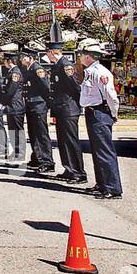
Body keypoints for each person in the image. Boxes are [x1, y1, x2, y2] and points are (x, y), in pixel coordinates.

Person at [79, 44, 123, 199]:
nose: (80, 57)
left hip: (100, 112)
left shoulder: (100, 73)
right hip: (92, 112)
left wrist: (113, 113)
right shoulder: (90, 72)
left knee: (105, 151)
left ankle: (113, 188)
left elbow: (111, 96)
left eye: (82, 54)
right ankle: (102, 184)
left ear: (88, 56)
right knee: (97, 151)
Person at [45, 42, 87, 184]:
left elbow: (75, 87)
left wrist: (76, 104)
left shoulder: (65, 65)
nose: (47, 56)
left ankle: (78, 173)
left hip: (68, 109)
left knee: (71, 141)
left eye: (48, 53)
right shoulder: (58, 65)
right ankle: (69, 169)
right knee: (63, 141)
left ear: (52, 52)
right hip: (61, 108)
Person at [20, 48, 55, 173]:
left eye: (24, 57)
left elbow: (46, 87)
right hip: (31, 104)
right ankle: (37, 158)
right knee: (33, 133)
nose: (21, 59)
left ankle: (47, 161)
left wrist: (45, 103)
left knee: (41, 134)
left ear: (31, 57)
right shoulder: (29, 69)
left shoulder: (37, 69)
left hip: (38, 105)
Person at [3, 64, 27, 162]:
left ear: (8, 61)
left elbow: (11, 89)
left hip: (16, 105)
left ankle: (20, 153)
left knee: (17, 131)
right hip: (11, 106)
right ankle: (15, 151)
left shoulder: (16, 72)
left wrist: (3, 100)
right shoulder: (11, 72)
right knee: (12, 131)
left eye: (5, 61)